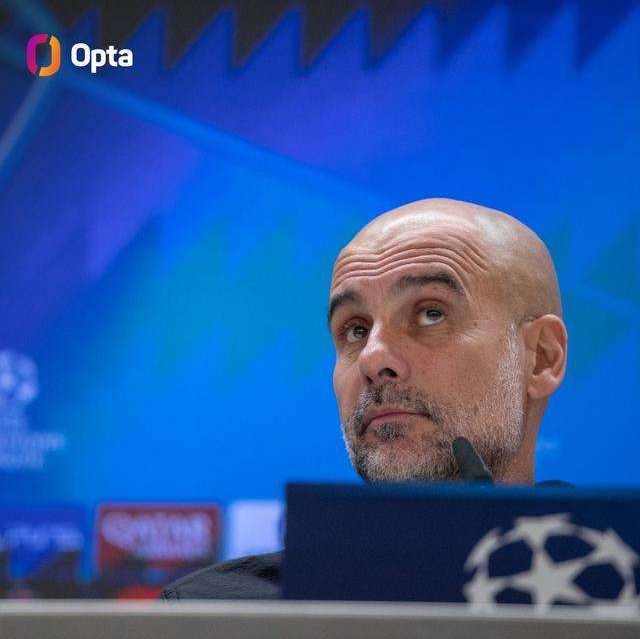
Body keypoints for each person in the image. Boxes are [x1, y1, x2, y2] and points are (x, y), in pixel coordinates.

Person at [159, 198, 569, 600]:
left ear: (541, 359)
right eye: (355, 330)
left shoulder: (605, 594)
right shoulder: (213, 615)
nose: (372, 358)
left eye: (431, 314)